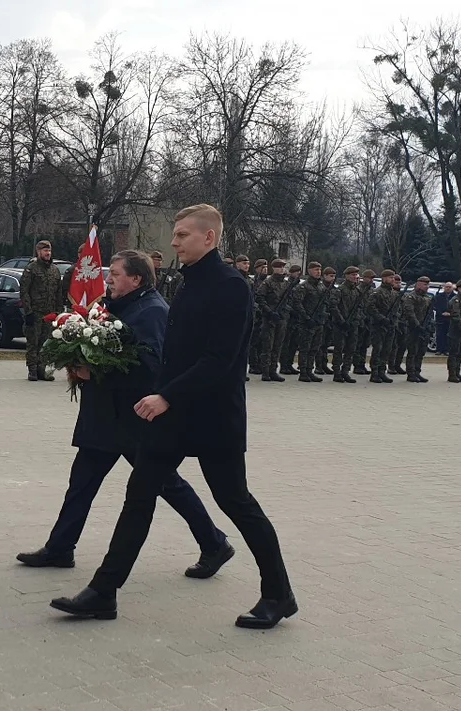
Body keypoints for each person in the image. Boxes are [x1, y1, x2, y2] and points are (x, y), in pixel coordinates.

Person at [49, 204, 296, 629]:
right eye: (176, 234)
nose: (175, 241)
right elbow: (175, 355)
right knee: (139, 494)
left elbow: (219, 360)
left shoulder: (231, 286)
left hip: (214, 417)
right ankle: (103, 592)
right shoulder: (189, 283)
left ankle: (278, 593)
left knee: (236, 502)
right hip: (174, 417)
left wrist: (164, 395)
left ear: (209, 238)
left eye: (182, 235)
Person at [17, 250, 233, 579]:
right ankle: (60, 547)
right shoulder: (115, 305)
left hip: (134, 421)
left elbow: (150, 370)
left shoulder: (152, 312)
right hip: (105, 417)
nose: (108, 280)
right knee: (82, 483)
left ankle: (215, 543)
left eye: (115, 274)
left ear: (136, 279)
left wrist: (96, 371)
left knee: (167, 484)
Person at [21, 240, 64, 381]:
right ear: (38, 252)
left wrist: (58, 312)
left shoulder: (54, 270)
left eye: (49, 251)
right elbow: (24, 291)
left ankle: (42, 369)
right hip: (35, 312)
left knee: (46, 344)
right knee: (33, 343)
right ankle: (32, 370)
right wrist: (28, 311)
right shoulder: (31, 269)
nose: (48, 253)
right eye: (45, 251)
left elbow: (59, 293)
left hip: (50, 313)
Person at [254, 259, 295, 382]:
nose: (281, 269)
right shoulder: (268, 283)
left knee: (278, 345)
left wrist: (284, 312)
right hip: (269, 318)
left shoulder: (286, 284)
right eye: (278, 267)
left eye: (283, 267)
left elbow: (290, 300)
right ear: (273, 268)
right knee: (268, 346)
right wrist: (269, 312)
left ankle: (273, 370)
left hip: (281, 318)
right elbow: (260, 298)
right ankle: (265, 371)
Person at [293, 261, 327, 383]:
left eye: (319, 270)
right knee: (305, 348)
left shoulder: (321, 286)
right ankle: (303, 372)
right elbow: (297, 303)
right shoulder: (304, 286)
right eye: (315, 270)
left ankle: (309, 370)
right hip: (306, 322)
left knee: (314, 348)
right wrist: (306, 317)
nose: (318, 272)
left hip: (318, 322)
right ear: (309, 271)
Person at [365, 269, 397, 384]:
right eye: (390, 277)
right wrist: (381, 318)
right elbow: (370, 308)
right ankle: (375, 372)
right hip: (378, 325)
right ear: (384, 278)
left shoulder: (394, 293)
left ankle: (382, 371)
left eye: (393, 277)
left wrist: (393, 320)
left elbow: (397, 309)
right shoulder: (377, 292)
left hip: (390, 326)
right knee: (378, 349)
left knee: (386, 349)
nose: (392, 279)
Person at [332, 266, 362, 383]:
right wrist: (341, 321)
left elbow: (360, 307)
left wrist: (355, 320)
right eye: (353, 275)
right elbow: (333, 307)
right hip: (340, 325)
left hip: (352, 324)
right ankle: (337, 372)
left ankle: (345, 371)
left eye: (356, 275)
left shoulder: (357, 291)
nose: (355, 277)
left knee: (351, 349)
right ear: (347, 276)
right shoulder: (340, 290)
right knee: (339, 349)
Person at [402, 276, 434, 383]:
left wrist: (429, 326)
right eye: (425, 285)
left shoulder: (427, 298)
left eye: (428, 285)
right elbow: (409, 313)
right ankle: (411, 373)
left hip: (424, 328)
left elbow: (429, 314)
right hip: (413, 328)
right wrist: (417, 325)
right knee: (413, 351)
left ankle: (417, 372)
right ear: (418, 284)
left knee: (421, 352)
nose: (427, 287)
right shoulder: (411, 297)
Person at [279, 264, 304, 374]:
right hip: (288, 317)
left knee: (294, 343)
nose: (298, 274)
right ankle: (284, 365)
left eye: (299, 272)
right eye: (296, 272)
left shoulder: (300, 285)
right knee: (286, 343)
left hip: (297, 318)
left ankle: (289, 364)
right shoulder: (287, 284)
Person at [353, 270, 377, 373]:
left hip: (368, 321)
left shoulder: (371, 291)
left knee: (365, 345)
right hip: (360, 321)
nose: (371, 280)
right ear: (364, 278)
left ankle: (362, 364)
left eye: (372, 278)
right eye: (370, 278)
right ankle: (357, 365)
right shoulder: (358, 290)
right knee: (358, 345)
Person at [315, 267, 338, 375]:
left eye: (334, 276)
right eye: (330, 276)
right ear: (324, 276)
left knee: (326, 344)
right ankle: (319, 366)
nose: (332, 278)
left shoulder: (334, 289)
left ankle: (324, 364)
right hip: (320, 319)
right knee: (319, 344)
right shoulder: (320, 287)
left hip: (330, 320)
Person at [248, 259, 269, 375]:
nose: (264, 270)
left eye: (266, 268)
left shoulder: (268, 282)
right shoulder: (253, 282)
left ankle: (261, 364)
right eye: (262, 268)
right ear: (256, 269)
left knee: (263, 342)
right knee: (254, 342)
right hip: (256, 315)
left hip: (265, 315)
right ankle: (253, 364)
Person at [388, 274, 408, 375]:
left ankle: (397, 364)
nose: (398, 284)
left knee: (402, 346)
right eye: (396, 282)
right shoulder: (390, 294)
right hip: (393, 323)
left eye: (400, 282)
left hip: (403, 323)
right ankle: (391, 366)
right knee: (393, 346)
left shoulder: (403, 295)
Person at [434, 282, 455, 355]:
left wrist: (450, 313)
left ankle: (447, 350)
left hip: (450, 319)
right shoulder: (439, 296)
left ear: (452, 288)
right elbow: (436, 306)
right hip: (440, 318)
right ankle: (439, 350)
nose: (448, 288)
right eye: (446, 287)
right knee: (439, 334)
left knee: (448, 335)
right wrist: (441, 313)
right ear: (444, 287)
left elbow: (456, 308)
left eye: (449, 287)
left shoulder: (455, 297)